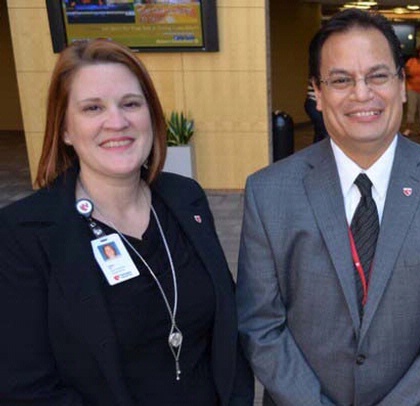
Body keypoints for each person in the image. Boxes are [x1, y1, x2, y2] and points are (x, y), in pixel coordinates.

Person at [237, 9, 420, 406]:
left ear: (402, 84)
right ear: (316, 92)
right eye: (340, 80)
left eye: (378, 75)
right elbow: (261, 324)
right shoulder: (270, 192)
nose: (362, 94)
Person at [0, 39, 253, 405]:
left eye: (131, 104)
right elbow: (27, 390)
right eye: (92, 108)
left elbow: (227, 335)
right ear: (66, 129)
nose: (117, 122)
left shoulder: (187, 199)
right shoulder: (23, 235)